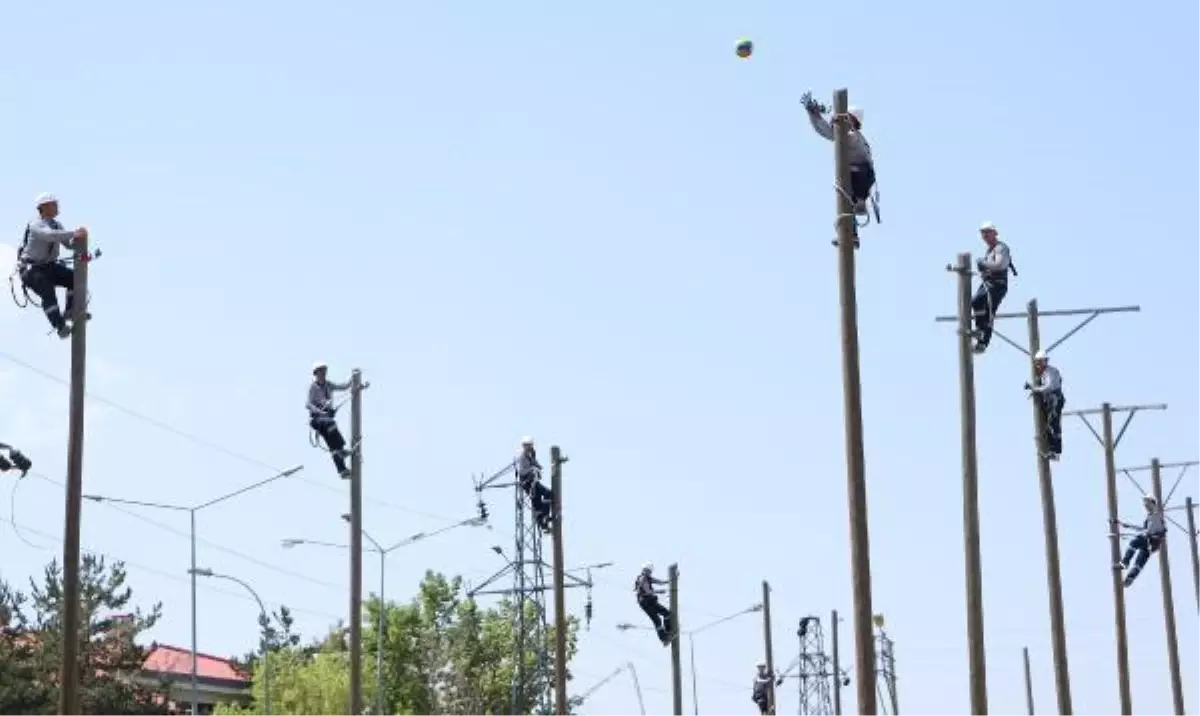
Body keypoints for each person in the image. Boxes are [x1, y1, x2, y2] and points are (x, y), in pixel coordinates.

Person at [17, 193, 89, 339]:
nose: (57, 206)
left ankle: (71, 310)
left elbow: (68, 244)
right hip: (32, 270)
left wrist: (80, 241)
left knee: (75, 279)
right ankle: (60, 326)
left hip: (49, 266)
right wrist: (74, 233)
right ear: (43, 207)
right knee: (48, 293)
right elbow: (50, 236)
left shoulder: (56, 224)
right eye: (53, 204)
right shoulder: (36, 224)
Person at [802, 93, 876, 219]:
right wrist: (813, 115)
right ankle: (854, 210)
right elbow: (826, 131)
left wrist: (821, 117)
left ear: (853, 121)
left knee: (849, 189)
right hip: (857, 180)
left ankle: (858, 203)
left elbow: (834, 133)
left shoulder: (855, 137)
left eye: (847, 118)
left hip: (861, 178)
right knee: (847, 205)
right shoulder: (850, 137)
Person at [971, 222, 1017, 354]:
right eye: (983, 233)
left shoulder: (1001, 248)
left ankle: (982, 339)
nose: (985, 235)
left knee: (987, 310)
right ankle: (981, 335)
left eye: (987, 232)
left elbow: (1000, 265)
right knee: (978, 304)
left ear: (994, 233)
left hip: (997, 284)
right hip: (989, 283)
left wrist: (983, 263)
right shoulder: (990, 251)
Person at [307, 362, 352, 478]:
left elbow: (343, 386)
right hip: (317, 420)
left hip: (326, 420)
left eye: (324, 371)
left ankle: (342, 470)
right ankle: (341, 449)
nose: (323, 373)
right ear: (316, 373)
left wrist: (353, 379)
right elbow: (309, 405)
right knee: (331, 423)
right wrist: (323, 412)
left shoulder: (329, 385)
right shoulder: (313, 387)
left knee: (334, 446)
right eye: (320, 371)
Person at [1118, 494, 1168, 588]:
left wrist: (1144, 534)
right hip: (1151, 546)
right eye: (1145, 503)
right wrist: (1128, 525)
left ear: (1153, 503)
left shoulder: (1155, 516)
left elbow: (1149, 531)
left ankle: (1125, 562)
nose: (1145, 505)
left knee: (1134, 542)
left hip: (1150, 541)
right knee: (1139, 562)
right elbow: (1144, 529)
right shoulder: (1153, 516)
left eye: (1147, 503)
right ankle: (1130, 578)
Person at [1025, 350, 1064, 460]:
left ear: (1045, 361)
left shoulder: (1050, 371)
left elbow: (1049, 387)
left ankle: (1056, 452)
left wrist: (1035, 388)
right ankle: (1052, 450)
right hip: (1050, 400)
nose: (1038, 364)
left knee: (1053, 424)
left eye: (1040, 361)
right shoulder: (1043, 373)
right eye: (1037, 362)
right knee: (1049, 426)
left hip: (1055, 399)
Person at [515, 436, 554, 532]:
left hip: (533, 481)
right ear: (523, 446)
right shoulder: (522, 457)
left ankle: (544, 522)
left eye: (529, 446)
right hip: (527, 482)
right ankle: (544, 519)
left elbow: (537, 465)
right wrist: (532, 469)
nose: (528, 447)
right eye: (526, 446)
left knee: (539, 502)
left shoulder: (531, 455)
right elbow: (522, 472)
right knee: (546, 494)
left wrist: (537, 467)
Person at [634, 563, 673, 646]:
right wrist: (659, 591)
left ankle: (668, 631)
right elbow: (647, 591)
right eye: (647, 571)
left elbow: (659, 582)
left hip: (650, 601)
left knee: (666, 613)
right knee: (657, 620)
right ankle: (664, 638)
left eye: (649, 572)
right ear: (644, 571)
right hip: (645, 603)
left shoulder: (648, 578)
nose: (648, 573)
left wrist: (670, 580)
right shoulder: (642, 579)